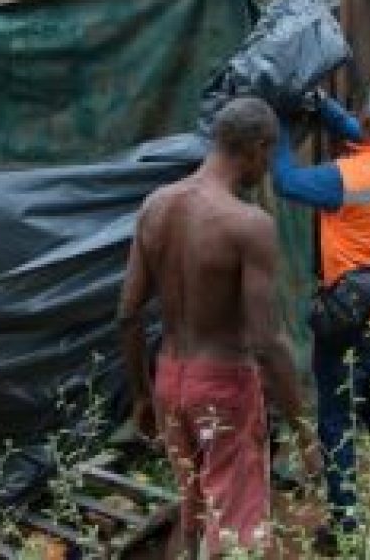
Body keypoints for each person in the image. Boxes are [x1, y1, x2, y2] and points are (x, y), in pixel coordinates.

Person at [118, 97, 315, 559]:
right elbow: (267, 342)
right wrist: (304, 433)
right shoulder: (248, 225)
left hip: (170, 380)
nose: (267, 168)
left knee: (192, 514)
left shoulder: (156, 206)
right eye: (270, 156)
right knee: (236, 535)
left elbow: (127, 313)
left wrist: (143, 395)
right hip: (224, 387)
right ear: (257, 148)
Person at [272, 83, 370, 555]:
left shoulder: (347, 179)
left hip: (351, 323)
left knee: (336, 422)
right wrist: (325, 107)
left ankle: (346, 527)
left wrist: (274, 121)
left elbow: (285, 182)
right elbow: (362, 129)